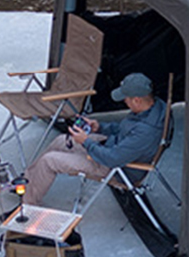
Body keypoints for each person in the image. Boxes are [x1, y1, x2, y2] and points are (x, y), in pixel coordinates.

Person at [22, 72, 165, 206]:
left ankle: (27, 207)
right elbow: (124, 129)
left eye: (126, 99)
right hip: (114, 149)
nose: (124, 102)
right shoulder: (152, 108)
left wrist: (86, 142)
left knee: (50, 160)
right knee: (61, 140)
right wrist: (100, 127)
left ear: (137, 100)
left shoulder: (146, 130)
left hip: (115, 167)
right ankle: (28, 182)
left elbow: (112, 158)